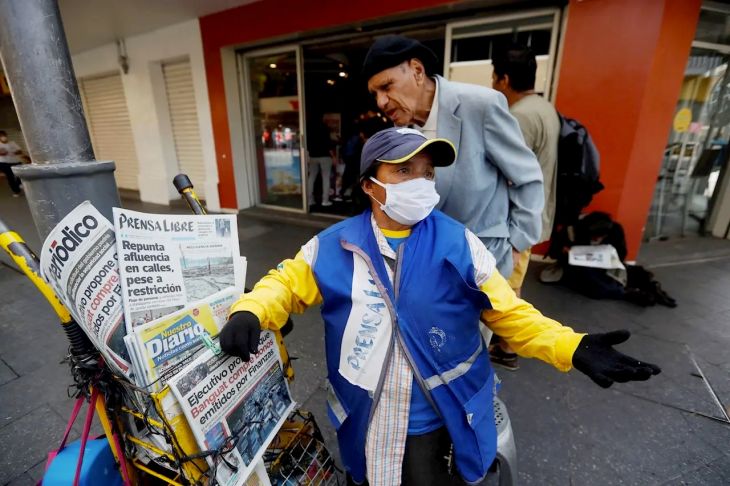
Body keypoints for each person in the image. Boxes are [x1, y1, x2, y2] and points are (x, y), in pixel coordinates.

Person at [220, 127, 661, 486]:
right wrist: (251, 311)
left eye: (427, 172)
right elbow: (284, 283)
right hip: (364, 418)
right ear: (370, 185)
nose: (421, 181)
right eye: (405, 169)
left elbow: (509, 313)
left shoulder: (459, 243)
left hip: (435, 422)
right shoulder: (332, 245)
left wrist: (572, 347)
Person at [362, 35, 544, 282]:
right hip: (435, 264)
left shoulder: (480, 105)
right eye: (375, 94)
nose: (380, 101)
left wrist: (517, 245)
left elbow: (528, 177)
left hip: (488, 259)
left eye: (387, 86)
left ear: (417, 70)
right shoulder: (404, 131)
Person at [489, 44, 562, 369]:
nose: (492, 83)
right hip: (533, 217)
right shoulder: (544, 107)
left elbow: (511, 177)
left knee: (506, 286)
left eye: (494, 76)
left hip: (516, 223)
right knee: (511, 284)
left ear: (503, 78)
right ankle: (505, 346)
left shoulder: (519, 117)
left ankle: (506, 348)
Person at [307, 117, 337, 207]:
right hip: (325, 156)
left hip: (313, 156)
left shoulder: (309, 129)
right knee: (326, 178)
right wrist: (334, 156)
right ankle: (325, 201)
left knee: (311, 177)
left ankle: (309, 200)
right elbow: (328, 144)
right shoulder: (325, 129)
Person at [0, 130, 25, 197]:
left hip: (16, 161)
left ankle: (19, 184)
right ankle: (16, 191)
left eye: (4, 135)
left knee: (19, 174)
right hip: (4, 163)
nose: (3, 137)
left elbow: (20, 151)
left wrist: (14, 153)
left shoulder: (12, 143)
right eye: (1, 136)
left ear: (6, 136)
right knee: (10, 177)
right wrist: (2, 153)